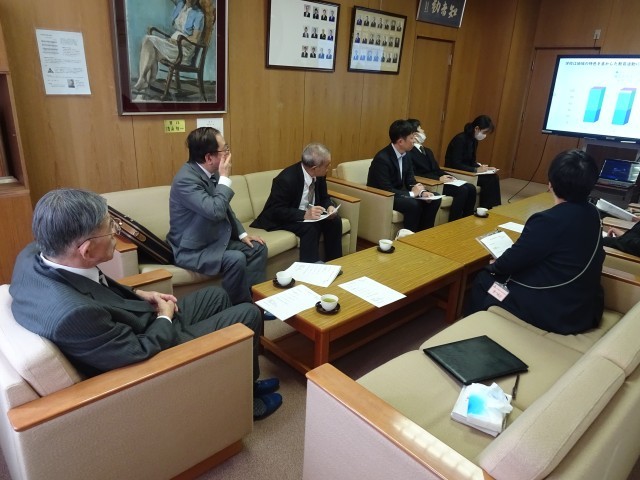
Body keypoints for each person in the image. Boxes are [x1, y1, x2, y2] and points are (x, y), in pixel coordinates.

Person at [10, 188, 282, 420]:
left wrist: (138, 294)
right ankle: (245, 401)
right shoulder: (74, 315)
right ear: (86, 250)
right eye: (110, 228)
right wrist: (164, 317)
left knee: (217, 295)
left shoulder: (36, 255)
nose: (116, 233)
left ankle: (242, 376)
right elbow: (137, 353)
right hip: (154, 351)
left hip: (136, 322)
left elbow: (95, 289)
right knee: (248, 314)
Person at [466, 149, 605, 334]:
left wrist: (495, 265)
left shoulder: (548, 220)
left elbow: (510, 262)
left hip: (554, 313)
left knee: (484, 279)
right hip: (585, 308)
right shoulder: (593, 213)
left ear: (550, 183)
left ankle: (472, 332)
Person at [167, 127, 268, 305]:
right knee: (235, 259)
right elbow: (216, 211)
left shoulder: (209, 172)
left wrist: (243, 235)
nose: (228, 153)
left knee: (257, 248)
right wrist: (225, 178)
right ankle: (238, 308)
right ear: (209, 158)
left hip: (213, 240)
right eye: (225, 149)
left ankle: (256, 301)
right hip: (193, 250)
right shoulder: (186, 180)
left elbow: (226, 208)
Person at [252, 143, 342, 264]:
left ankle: (336, 262)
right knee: (310, 227)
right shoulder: (286, 179)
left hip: (309, 215)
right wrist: (304, 215)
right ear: (314, 168)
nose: (329, 168)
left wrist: (330, 207)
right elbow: (276, 210)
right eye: (327, 165)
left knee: (335, 221)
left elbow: (324, 197)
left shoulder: (320, 175)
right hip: (285, 217)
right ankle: (310, 267)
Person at [367, 120, 442, 232]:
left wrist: (422, 192)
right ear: (401, 141)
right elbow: (386, 189)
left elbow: (410, 180)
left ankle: (423, 235)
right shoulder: (382, 159)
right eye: (411, 138)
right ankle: (409, 238)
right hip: (384, 196)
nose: (414, 141)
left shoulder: (406, 155)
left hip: (399, 193)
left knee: (433, 198)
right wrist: (412, 194)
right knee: (413, 204)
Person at [407, 119, 477, 221]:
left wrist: (451, 177)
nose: (423, 131)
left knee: (471, 188)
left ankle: (467, 219)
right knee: (463, 190)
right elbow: (416, 174)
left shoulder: (427, 150)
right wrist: (438, 179)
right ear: (414, 134)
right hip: (433, 183)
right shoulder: (409, 152)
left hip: (440, 180)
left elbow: (437, 169)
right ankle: (455, 221)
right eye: (420, 129)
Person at [132, 0, 205, 94]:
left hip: (183, 50)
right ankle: (145, 79)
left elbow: (195, 39)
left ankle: (146, 79)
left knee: (150, 43)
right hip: (172, 44)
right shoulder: (180, 5)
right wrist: (173, 41)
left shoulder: (199, 14)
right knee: (147, 40)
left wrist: (178, 41)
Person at [444, 114, 502, 209]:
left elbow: (471, 161)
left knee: (494, 176)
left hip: (468, 170)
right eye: (484, 132)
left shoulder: (474, 140)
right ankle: (484, 208)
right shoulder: (460, 139)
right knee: (488, 180)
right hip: (456, 171)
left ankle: (492, 207)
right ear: (476, 128)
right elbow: (455, 164)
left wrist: (485, 168)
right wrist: (475, 170)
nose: (485, 135)